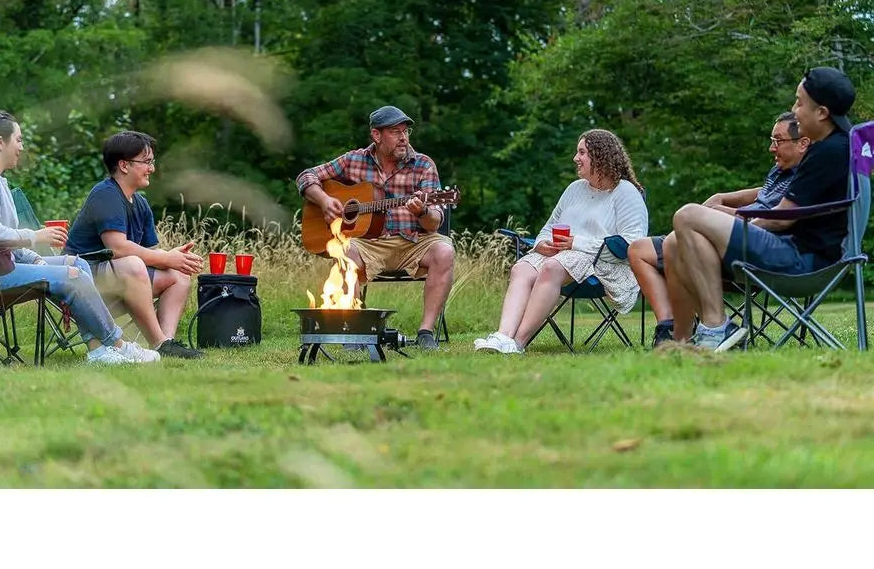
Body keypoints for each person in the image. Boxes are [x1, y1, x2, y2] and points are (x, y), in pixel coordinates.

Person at [0, 111, 159, 365]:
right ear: (0, 142)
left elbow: (4, 238)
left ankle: (98, 351)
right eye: (19, 140)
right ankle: (117, 344)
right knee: (73, 276)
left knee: (76, 264)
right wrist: (35, 236)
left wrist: (35, 259)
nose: (21, 147)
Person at [666, 66, 856, 351]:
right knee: (673, 243)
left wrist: (733, 232)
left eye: (799, 102)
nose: (794, 108)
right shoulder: (837, 145)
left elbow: (780, 219)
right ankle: (687, 338)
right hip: (799, 250)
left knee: (688, 215)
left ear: (822, 112)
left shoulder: (828, 152)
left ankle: (717, 328)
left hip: (801, 259)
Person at [630, 111, 810, 347]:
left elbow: (775, 218)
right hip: (740, 235)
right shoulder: (781, 169)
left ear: (802, 144)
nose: (771, 148)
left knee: (683, 224)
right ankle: (679, 339)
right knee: (657, 245)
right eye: (771, 140)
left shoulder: (807, 176)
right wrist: (723, 198)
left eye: (778, 141)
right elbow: (762, 193)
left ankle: (712, 328)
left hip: (759, 247)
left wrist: (717, 212)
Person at [475, 129, 648, 355]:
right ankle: (503, 336)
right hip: (562, 255)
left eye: (582, 152)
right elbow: (548, 227)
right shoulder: (574, 189)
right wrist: (542, 244)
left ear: (600, 155)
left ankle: (518, 342)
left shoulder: (626, 192)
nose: (575, 158)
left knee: (551, 267)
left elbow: (632, 244)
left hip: (604, 264)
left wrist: (576, 243)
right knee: (521, 268)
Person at [295, 105, 455, 350]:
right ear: (376, 135)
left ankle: (426, 332)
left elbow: (434, 221)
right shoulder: (354, 160)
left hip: (413, 243)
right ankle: (356, 329)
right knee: (344, 250)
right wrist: (325, 200)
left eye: (405, 131)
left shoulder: (423, 165)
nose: (403, 137)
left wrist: (421, 210)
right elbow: (306, 176)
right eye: (395, 131)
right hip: (368, 244)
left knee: (445, 251)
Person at [64, 130, 205, 360]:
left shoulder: (140, 203)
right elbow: (117, 248)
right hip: (81, 283)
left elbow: (148, 254)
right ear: (124, 165)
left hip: (117, 282)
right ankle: (158, 343)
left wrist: (171, 257)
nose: (152, 168)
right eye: (146, 162)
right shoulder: (105, 194)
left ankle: (167, 343)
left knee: (178, 275)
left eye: (152, 161)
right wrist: (165, 257)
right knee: (133, 265)